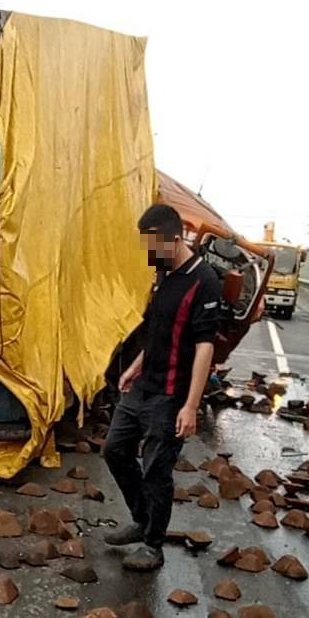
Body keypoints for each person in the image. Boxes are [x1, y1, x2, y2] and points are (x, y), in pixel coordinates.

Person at [103, 202, 221, 572]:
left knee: (157, 470)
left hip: (171, 395)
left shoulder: (205, 281)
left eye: (152, 246)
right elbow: (155, 330)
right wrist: (135, 368)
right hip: (144, 386)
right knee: (114, 450)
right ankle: (142, 520)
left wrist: (190, 405)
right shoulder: (163, 273)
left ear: (172, 240)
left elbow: (205, 347)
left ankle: (153, 545)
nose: (149, 254)